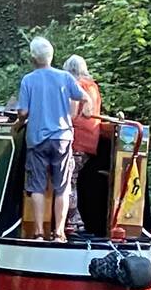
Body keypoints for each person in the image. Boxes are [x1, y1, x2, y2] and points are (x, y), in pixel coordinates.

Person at [14, 36, 87, 242]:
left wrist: (20, 120)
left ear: (33, 58)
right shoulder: (65, 77)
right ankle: (59, 233)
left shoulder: (28, 80)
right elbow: (83, 97)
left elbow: (23, 112)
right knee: (62, 187)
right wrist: (85, 108)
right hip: (63, 138)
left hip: (37, 140)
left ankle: (38, 233)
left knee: (37, 186)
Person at [62, 54, 102, 233]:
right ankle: (72, 220)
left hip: (76, 140)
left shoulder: (77, 86)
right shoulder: (93, 86)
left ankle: (73, 222)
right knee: (73, 179)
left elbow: (70, 113)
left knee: (68, 181)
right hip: (91, 140)